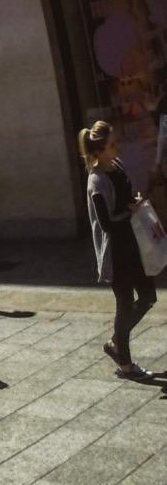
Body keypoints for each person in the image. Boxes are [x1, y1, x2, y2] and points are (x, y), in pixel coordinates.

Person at [82, 121, 157, 378]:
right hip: (116, 252)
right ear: (99, 150)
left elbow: (125, 196)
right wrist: (130, 210)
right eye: (112, 144)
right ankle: (125, 363)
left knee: (148, 297)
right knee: (124, 303)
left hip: (134, 244)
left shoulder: (116, 166)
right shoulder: (96, 181)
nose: (118, 147)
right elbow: (106, 223)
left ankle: (116, 341)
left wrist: (135, 200)